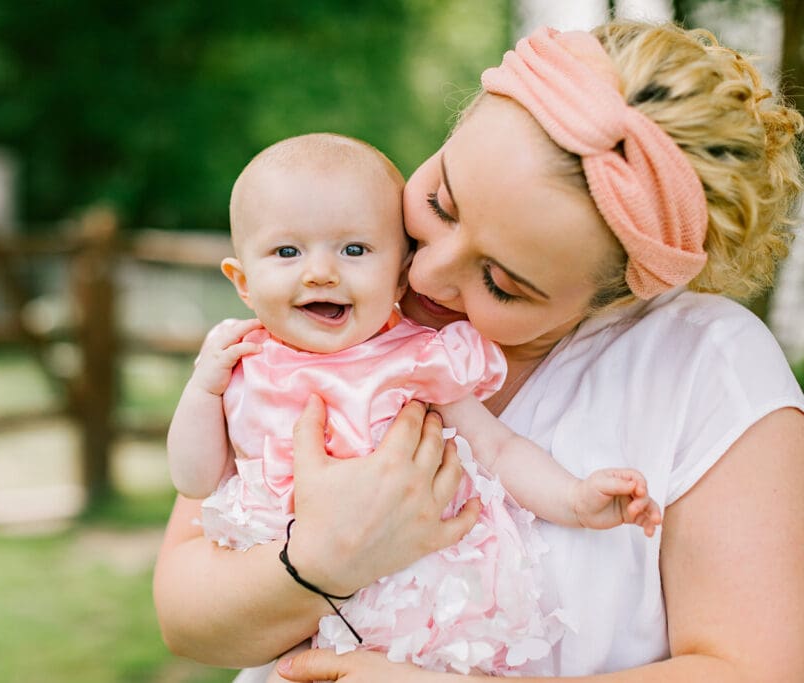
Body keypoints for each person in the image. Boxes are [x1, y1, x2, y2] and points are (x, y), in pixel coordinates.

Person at [154, 20, 804, 681]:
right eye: (441, 201)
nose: (428, 273)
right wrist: (320, 560)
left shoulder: (706, 368)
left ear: (612, 299)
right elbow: (184, 613)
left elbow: (757, 668)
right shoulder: (339, 292)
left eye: (501, 282)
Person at [166, 132, 661, 678]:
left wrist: (574, 498)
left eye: (354, 250)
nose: (320, 272)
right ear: (242, 281)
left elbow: (497, 448)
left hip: (420, 603)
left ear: (400, 272)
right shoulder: (241, 360)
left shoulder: (418, 359)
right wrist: (203, 392)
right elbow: (196, 479)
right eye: (288, 252)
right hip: (292, 605)